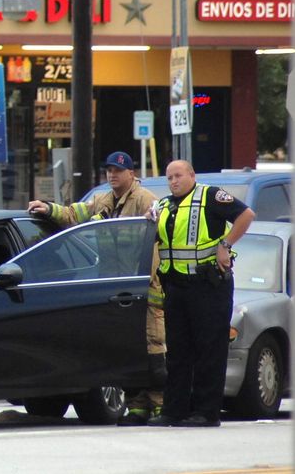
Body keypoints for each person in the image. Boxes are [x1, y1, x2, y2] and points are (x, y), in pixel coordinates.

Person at [27, 150, 165, 425]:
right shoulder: (103, 200)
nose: (112, 175)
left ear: (131, 173)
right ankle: (137, 406)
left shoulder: (145, 201)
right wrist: (48, 208)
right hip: (116, 292)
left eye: (117, 170)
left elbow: (159, 237)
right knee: (126, 349)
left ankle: (161, 405)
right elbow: (74, 214)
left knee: (153, 348)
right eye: (108, 171)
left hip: (145, 290)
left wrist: (147, 280)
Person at [147, 160, 254, 428]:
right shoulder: (163, 206)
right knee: (178, 353)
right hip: (176, 287)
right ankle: (174, 410)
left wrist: (225, 245)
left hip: (207, 286)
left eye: (179, 175)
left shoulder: (210, 196)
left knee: (209, 350)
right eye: (169, 177)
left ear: (192, 175)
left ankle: (207, 412)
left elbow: (246, 215)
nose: (173, 181)